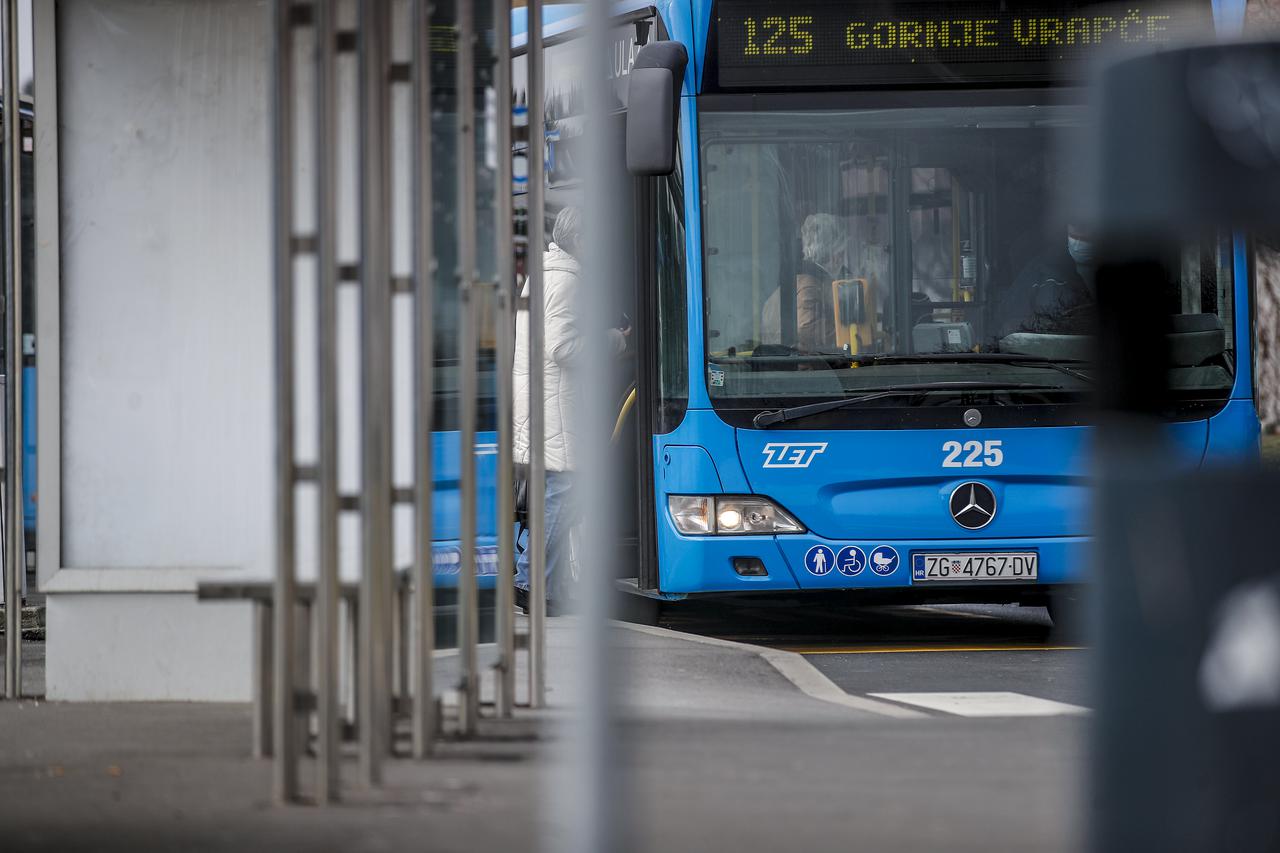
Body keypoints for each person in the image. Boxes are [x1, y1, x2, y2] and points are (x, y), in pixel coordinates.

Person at [512, 206, 628, 614]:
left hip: (545, 404)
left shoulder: (546, 274)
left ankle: (548, 588)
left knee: (558, 499)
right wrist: (615, 340)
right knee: (565, 497)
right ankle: (532, 583)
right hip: (558, 409)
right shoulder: (568, 281)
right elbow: (562, 348)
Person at [760, 213, 851, 352]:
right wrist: (847, 336)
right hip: (808, 370)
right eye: (842, 252)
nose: (842, 259)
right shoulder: (811, 285)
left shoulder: (787, 286)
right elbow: (805, 325)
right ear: (836, 256)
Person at [998, 224, 1098, 337]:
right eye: (1077, 224)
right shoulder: (1042, 269)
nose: (1080, 237)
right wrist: (1049, 326)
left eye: (1089, 224)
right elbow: (1009, 324)